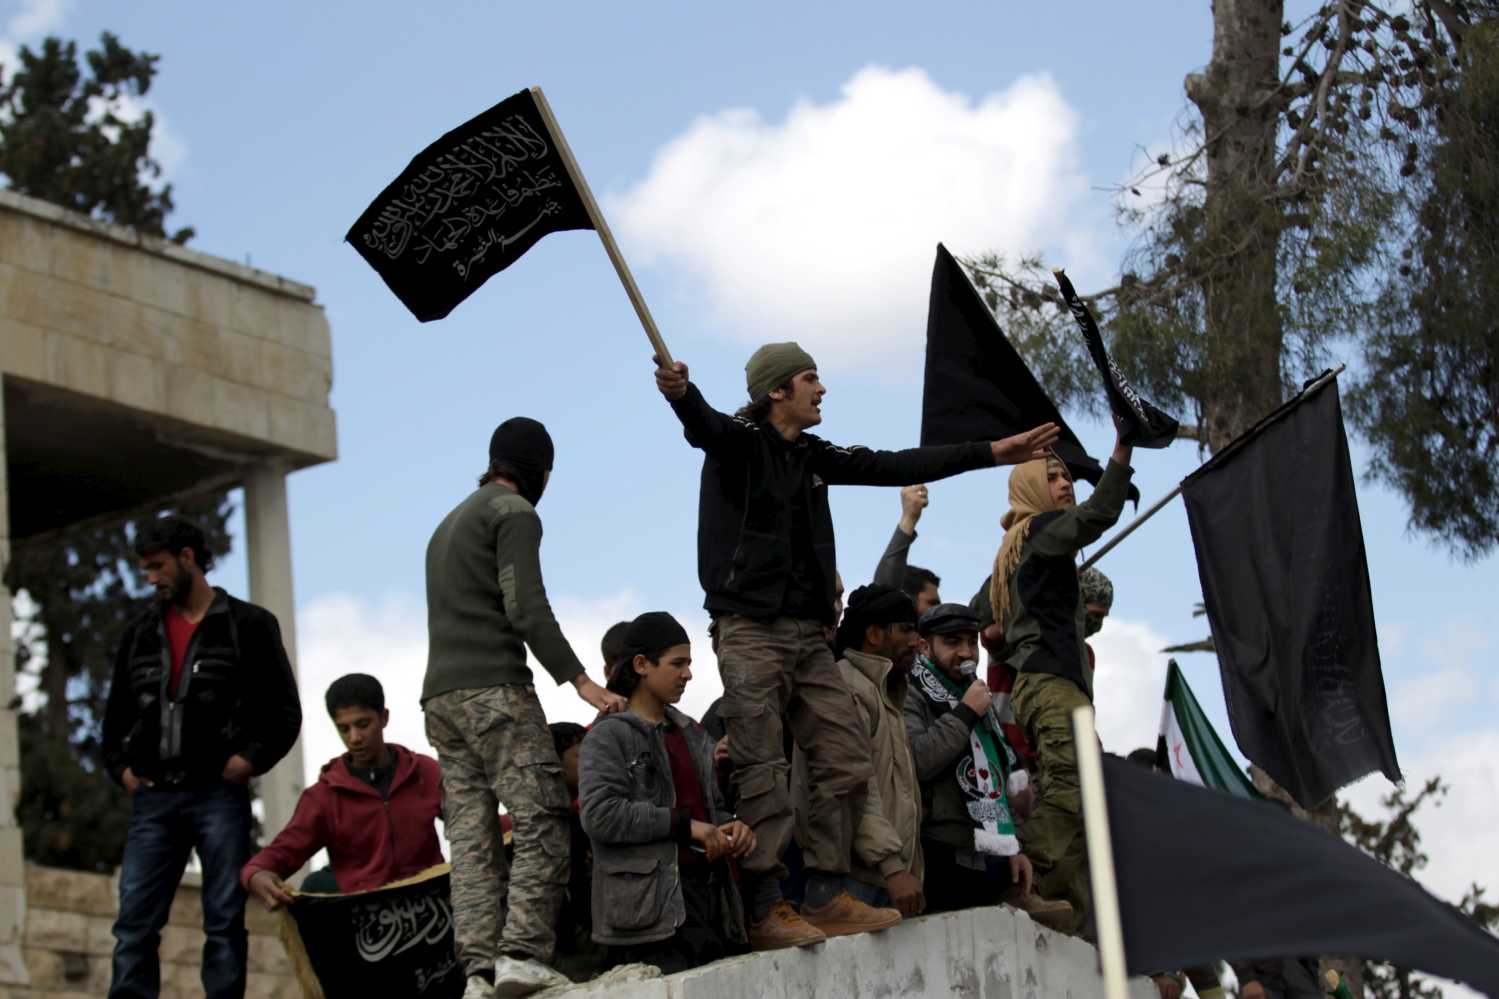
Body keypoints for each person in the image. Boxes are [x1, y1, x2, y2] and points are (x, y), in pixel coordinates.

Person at [653, 344, 1059, 949]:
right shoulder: (738, 440)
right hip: (750, 629)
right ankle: (766, 907)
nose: (822, 389)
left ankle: (824, 892)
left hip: (809, 635)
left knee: (845, 755)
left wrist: (993, 452)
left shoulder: (815, 455)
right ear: (776, 392)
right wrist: (682, 393)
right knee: (763, 766)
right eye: (809, 378)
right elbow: (703, 425)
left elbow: (894, 464)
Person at [420, 418, 626, 999]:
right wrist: (581, 682)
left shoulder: (447, 524)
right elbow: (526, 606)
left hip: (441, 700)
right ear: (540, 470)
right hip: (495, 693)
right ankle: (522, 954)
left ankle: (479, 972)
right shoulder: (514, 514)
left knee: (471, 840)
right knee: (542, 816)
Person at [101, 516, 301, 999]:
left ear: (187, 557)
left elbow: (283, 712)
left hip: (218, 794)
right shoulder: (139, 633)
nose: (151, 578)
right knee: (134, 924)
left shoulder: (249, 625)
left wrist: (249, 761)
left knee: (225, 921)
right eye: (146, 569)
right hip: (154, 797)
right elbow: (115, 717)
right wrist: (121, 770)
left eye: (158, 566)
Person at [992, 438, 1135, 934]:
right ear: (1030, 487)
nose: (1065, 485)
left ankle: (1063, 909)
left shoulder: (1017, 548)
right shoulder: (1039, 530)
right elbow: (1097, 515)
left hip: (1055, 686)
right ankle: (1025, 877)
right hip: (1049, 683)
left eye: (1066, 478)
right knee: (1071, 783)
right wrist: (1122, 453)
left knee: (1081, 796)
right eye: (1052, 478)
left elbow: (985, 616)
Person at [579, 612, 753, 973]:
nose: (688, 674)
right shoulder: (608, 735)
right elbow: (599, 815)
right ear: (642, 665)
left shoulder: (693, 733)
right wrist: (684, 826)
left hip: (708, 905)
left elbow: (710, 811)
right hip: (646, 920)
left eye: (689, 664)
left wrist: (731, 827)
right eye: (677, 663)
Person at [903, 603, 1071, 929]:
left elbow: (998, 772)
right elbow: (917, 762)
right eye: (952, 642)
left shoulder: (976, 694)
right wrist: (965, 714)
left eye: (971, 642)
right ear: (924, 647)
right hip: (937, 851)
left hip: (987, 852)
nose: (966, 653)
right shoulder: (911, 689)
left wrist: (1015, 847)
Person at [240, 673, 444, 907]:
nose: (354, 738)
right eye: (344, 729)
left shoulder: (424, 772)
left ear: (384, 717)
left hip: (433, 904)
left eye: (363, 724)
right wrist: (255, 873)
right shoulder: (323, 797)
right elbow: (284, 850)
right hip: (362, 914)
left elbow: (471, 818)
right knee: (315, 885)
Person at [801, 584, 925, 916]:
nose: (916, 641)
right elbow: (856, 786)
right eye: (906, 630)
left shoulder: (887, 691)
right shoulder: (848, 687)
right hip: (858, 880)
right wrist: (892, 867)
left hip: (888, 879)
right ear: (874, 634)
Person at [873, 484, 942, 614]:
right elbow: (885, 591)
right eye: (932, 604)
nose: (938, 611)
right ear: (906, 599)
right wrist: (909, 519)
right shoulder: (889, 619)